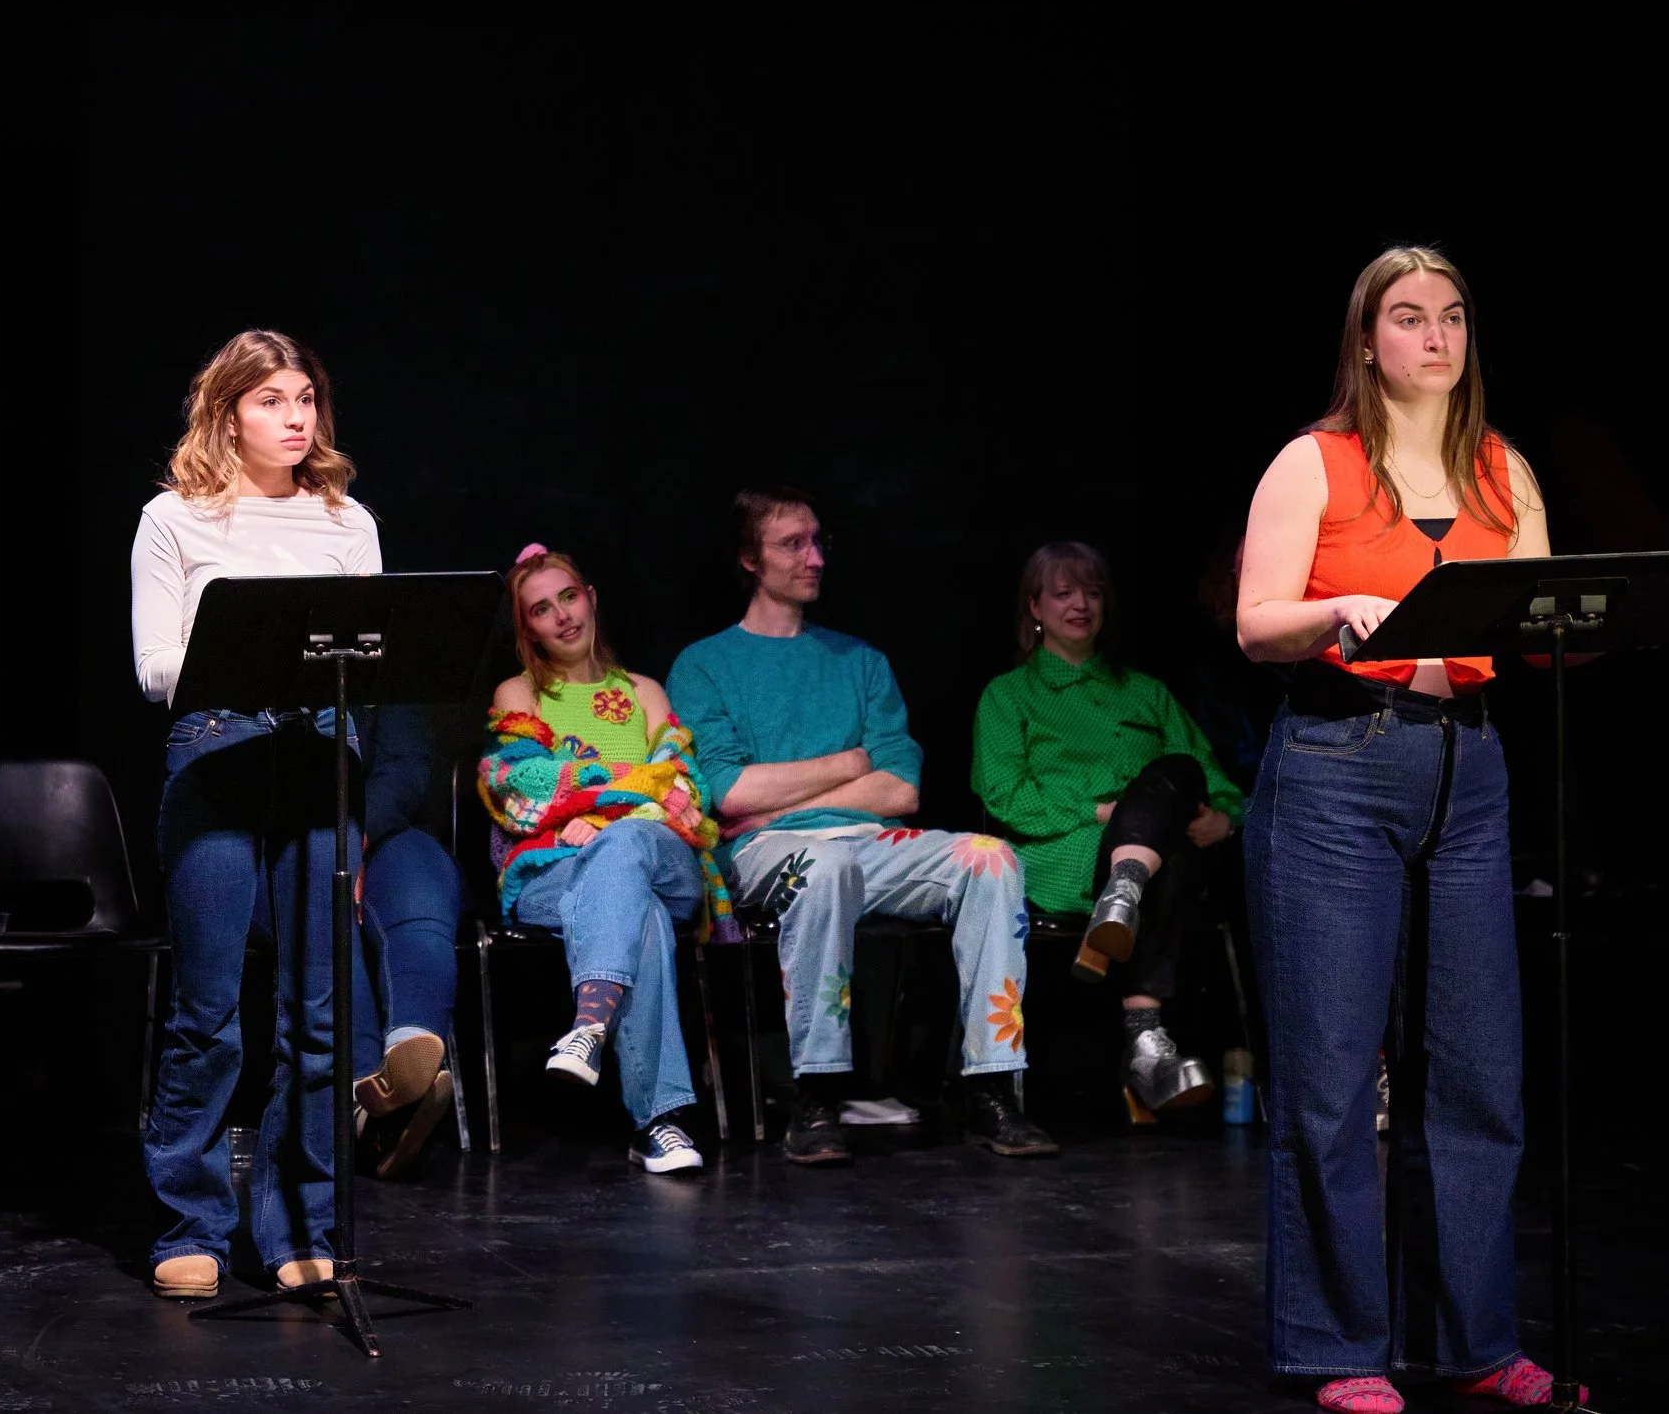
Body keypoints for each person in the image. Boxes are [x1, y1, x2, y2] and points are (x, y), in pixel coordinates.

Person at [1236, 247, 1568, 1411]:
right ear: (1367, 340)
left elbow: (1538, 616)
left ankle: (1474, 1341)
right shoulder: (1315, 461)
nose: (1436, 337)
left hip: (1467, 766)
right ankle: (1335, 1344)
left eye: (1453, 316)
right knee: (1331, 1074)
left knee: (1479, 1070)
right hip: (1338, 762)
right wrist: (1333, 606)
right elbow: (1255, 623)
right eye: (1410, 317)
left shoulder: (1501, 468)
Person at [129, 329, 443, 1303]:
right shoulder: (173, 517)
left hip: (319, 749)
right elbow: (154, 669)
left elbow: (376, 660)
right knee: (209, 1012)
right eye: (270, 399)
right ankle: (189, 1224)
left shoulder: (347, 521)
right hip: (218, 745)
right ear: (227, 412)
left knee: (318, 1012)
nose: (295, 416)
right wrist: (254, 650)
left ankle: (299, 1221)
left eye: (305, 397)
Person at [668, 489, 1057, 1166]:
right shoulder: (705, 665)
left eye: (818, 541)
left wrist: (788, 794)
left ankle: (991, 1085)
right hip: (764, 850)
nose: (814, 557)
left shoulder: (861, 662)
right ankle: (817, 1092)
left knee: (991, 857)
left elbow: (901, 788)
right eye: (792, 544)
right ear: (750, 558)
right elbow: (728, 791)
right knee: (826, 868)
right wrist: (849, 763)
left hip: (870, 842)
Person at [478, 545, 732, 1175]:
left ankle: (589, 1024)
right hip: (552, 872)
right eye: (541, 609)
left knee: (625, 846)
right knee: (639, 913)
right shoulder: (520, 692)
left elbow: (685, 793)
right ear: (527, 628)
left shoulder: (645, 691)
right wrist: (629, 788)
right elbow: (519, 789)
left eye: (568, 597)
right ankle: (660, 1123)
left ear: (590, 597)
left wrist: (599, 812)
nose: (562, 616)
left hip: (662, 859)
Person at [971, 541, 1244, 1116]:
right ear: (1035, 608)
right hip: (1063, 853)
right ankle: (1145, 1039)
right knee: (1173, 849)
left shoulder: (1146, 692)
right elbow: (1005, 796)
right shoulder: (1008, 695)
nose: (1081, 605)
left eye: (1092, 593)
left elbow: (1210, 777)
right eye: (1063, 593)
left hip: (1161, 856)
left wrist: (1223, 818)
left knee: (1180, 770)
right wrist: (1106, 813)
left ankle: (1123, 893)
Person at [349, 700, 469, 1178]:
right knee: (321, 901)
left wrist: (354, 834)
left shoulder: (378, 670)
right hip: (268, 845)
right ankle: (369, 1102)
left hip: (374, 827)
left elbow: (406, 764)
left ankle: (410, 1053)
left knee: (420, 871)